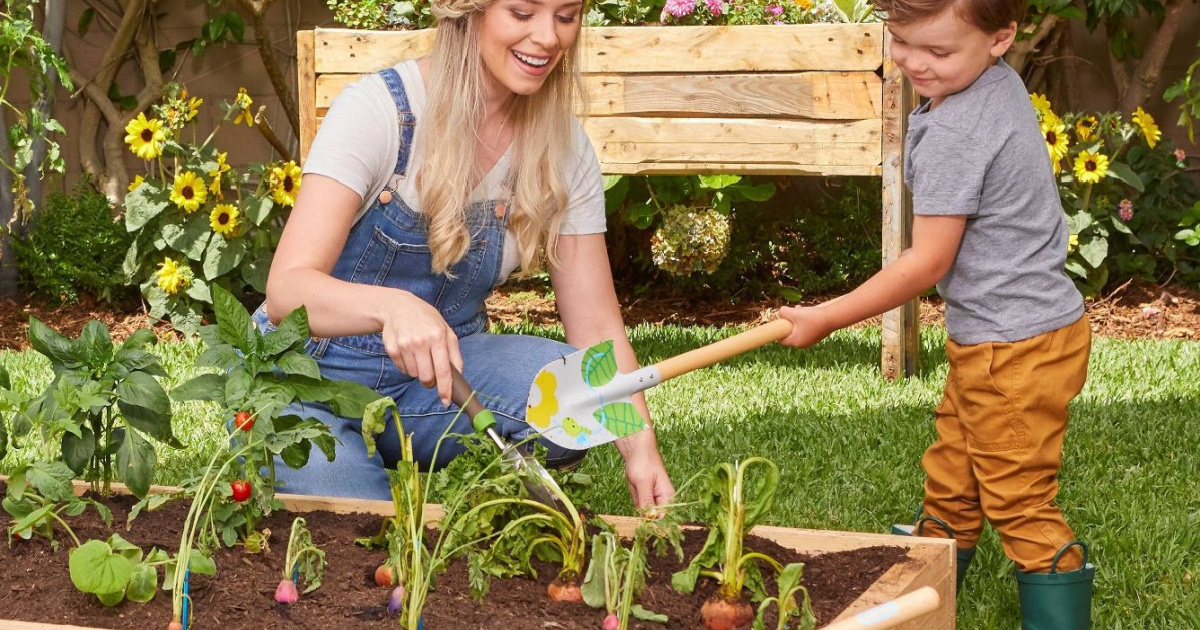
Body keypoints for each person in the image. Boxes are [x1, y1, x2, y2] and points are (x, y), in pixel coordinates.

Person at [256, 0, 674, 510]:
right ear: (467, 11)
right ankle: (339, 463)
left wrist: (641, 449)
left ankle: (405, 441)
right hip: (305, 381)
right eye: (523, 13)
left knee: (575, 395)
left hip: (436, 382)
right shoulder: (382, 112)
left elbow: (598, 329)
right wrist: (393, 307)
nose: (547, 37)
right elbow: (286, 290)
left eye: (565, 17)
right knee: (353, 519)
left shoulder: (563, 149)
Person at [778, 0, 1093, 626]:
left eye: (938, 52)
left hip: (1012, 346)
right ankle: (931, 579)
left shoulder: (958, 130)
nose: (913, 63)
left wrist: (827, 316)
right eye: (900, 41)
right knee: (955, 467)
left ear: (1001, 38)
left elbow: (925, 264)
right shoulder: (991, 83)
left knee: (1019, 498)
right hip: (1018, 331)